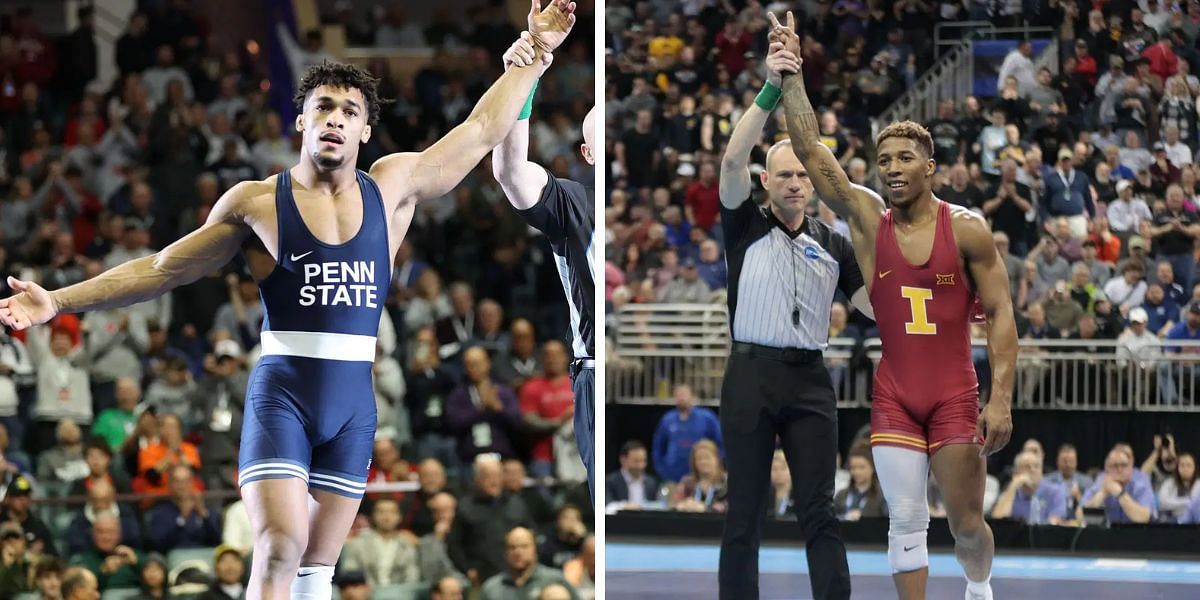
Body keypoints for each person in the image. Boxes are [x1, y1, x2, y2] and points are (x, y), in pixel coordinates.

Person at [0, 2, 577, 598]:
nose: (334, 119)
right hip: (284, 399)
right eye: (322, 107)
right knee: (279, 548)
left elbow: (482, 131)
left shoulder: (394, 187)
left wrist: (535, 51)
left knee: (317, 570)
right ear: (300, 121)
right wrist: (58, 301)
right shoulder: (255, 203)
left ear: (365, 130)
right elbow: (162, 268)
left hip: (355, 405)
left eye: (349, 111)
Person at [775, 13, 1017, 600]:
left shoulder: (968, 231)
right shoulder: (864, 218)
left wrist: (1002, 399)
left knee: (966, 527)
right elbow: (808, 149)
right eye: (885, 161)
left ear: (929, 167)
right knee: (905, 522)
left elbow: (1003, 316)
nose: (892, 169)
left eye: (905, 159)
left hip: (956, 393)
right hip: (895, 395)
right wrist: (791, 73)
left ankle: (979, 586)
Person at [712, 30, 869, 600]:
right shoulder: (744, 224)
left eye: (804, 174)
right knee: (744, 517)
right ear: (766, 181)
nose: (796, 183)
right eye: (785, 175)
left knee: (818, 512)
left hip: (809, 381)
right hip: (750, 376)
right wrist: (773, 88)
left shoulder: (837, 242)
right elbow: (732, 155)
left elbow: (872, 306)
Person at [497, 28, 596, 497]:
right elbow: (511, 172)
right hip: (596, 371)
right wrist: (525, 73)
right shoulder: (572, 201)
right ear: (588, 153)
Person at [479, 527, 577, 600]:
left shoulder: (555, 579)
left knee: (556, 594)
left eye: (524, 546)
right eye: (512, 547)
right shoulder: (491, 588)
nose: (518, 552)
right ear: (505, 552)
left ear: (535, 549)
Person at [651, 383, 722, 483]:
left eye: (684, 394)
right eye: (678, 395)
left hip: (701, 476)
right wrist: (662, 471)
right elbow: (658, 447)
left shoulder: (707, 417)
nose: (681, 398)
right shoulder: (667, 419)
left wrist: (716, 466)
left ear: (692, 396)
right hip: (673, 476)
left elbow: (721, 443)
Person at [989, 451, 1069, 524]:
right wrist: (1013, 486)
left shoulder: (1056, 492)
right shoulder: (1011, 492)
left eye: (1036, 466)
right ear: (1017, 473)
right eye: (1027, 467)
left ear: (1041, 471)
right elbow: (998, 521)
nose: (1032, 470)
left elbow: (1054, 524)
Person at [605, 440, 658, 511]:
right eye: (636, 461)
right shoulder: (610, 481)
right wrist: (624, 505)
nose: (641, 466)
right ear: (623, 460)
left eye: (643, 461)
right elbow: (607, 506)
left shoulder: (650, 482)